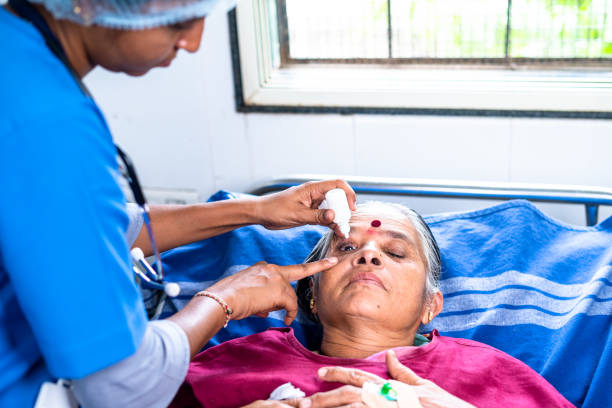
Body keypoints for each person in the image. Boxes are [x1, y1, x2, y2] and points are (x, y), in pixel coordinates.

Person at [0, 0, 357, 406]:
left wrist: (256, 209)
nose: (193, 42)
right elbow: (122, 387)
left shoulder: (15, 55)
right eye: (178, 23)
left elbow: (89, 225)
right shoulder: (47, 125)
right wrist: (226, 299)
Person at [170, 202, 575, 408]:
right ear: (311, 292)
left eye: (395, 253)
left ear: (429, 306)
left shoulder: (490, 374)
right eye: (347, 247)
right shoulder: (238, 364)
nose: (368, 256)